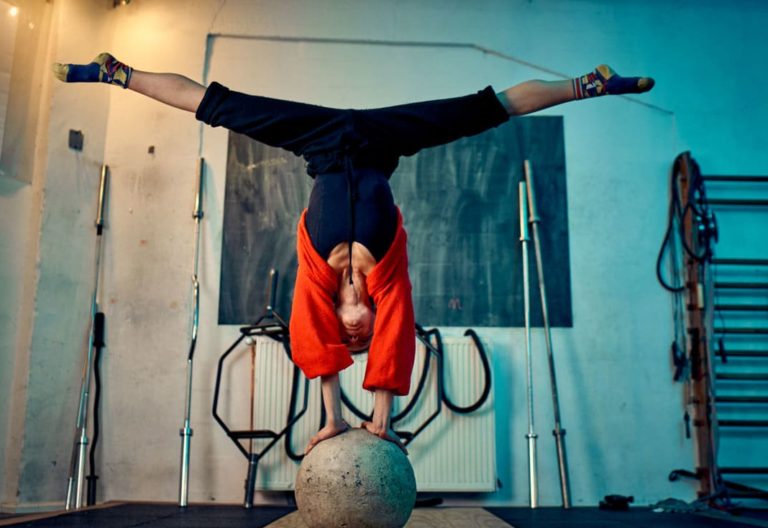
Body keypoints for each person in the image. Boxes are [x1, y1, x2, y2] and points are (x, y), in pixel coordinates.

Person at [53, 53, 654, 455]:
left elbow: (314, 345)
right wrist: (379, 422)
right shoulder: (388, 283)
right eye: (358, 335)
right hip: (383, 141)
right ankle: (589, 84)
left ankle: (117, 74)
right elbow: (394, 342)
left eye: (350, 335)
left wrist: (331, 419)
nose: (354, 329)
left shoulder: (316, 283)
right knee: (489, 109)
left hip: (315, 141)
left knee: (215, 106)